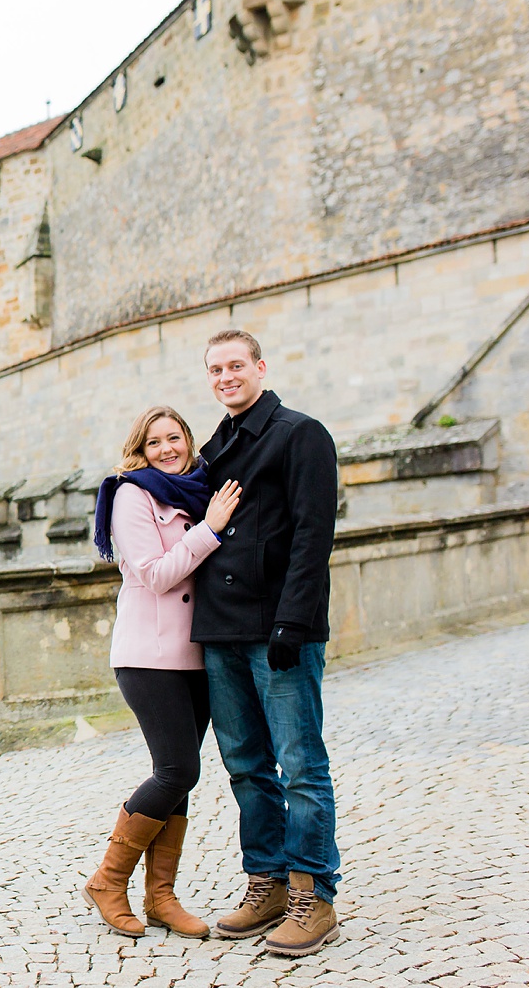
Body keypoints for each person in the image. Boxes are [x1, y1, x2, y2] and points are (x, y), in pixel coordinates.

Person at [191, 328, 343, 957]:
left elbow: (314, 535)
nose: (226, 377)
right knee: (247, 767)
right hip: (221, 631)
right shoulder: (213, 447)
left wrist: (292, 623)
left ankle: (315, 895)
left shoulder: (300, 434)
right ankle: (268, 883)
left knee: (301, 765)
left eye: (235, 365)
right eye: (215, 369)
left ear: (260, 366)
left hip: (279, 631)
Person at [84, 405, 241, 939]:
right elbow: (154, 575)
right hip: (148, 657)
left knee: (180, 777)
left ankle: (161, 897)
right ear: (140, 451)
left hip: (195, 655)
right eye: (155, 442)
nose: (167, 449)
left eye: (175, 438)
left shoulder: (200, 490)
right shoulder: (132, 495)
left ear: (190, 442)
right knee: (177, 772)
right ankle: (108, 881)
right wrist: (211, 529)